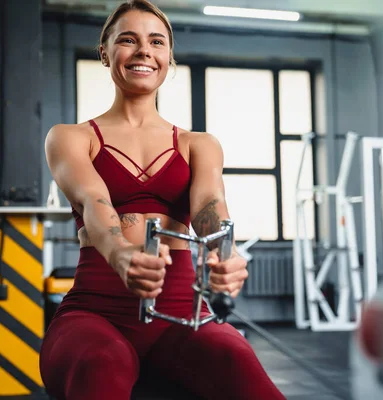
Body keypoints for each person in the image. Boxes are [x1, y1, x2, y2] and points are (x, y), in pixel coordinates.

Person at [39, 1, 285, 399]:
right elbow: (93, 201)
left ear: (169, 57)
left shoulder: (199, 144)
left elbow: (210, 205)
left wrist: (224, 253)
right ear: (105, 52)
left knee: (244, 370)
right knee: (99, 367)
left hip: (184, 314)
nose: (143, 51)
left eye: (156, 42)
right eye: (128, 40)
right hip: (96, 310)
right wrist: (121, 254)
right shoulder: (70, 137)